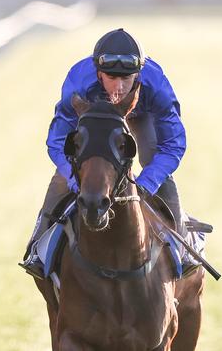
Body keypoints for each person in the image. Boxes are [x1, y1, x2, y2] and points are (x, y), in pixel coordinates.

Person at [20, 28, 200, 278]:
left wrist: (146, 183)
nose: (119, 86)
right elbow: (58, 140)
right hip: (94, 117)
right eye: (111, 77)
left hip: (141, 116)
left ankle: (183, 250)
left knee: (152, 160)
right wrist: (75, 181)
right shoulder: (79, 82)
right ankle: (38, 247)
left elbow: (173, 144)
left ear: (139, 73)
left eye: (127, 78)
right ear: (97, 72)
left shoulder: (155, 82)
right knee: (65, 175)